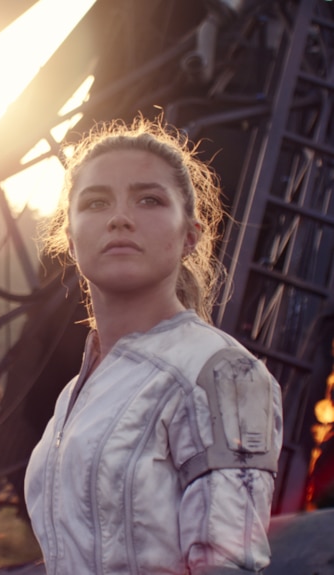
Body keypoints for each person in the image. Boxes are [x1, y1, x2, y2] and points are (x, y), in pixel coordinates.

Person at [24, 117, 283, 574]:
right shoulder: (75, 395)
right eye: (96, 202)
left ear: (190, 237)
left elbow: (230, 566)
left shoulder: (219, 371)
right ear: (70, 236)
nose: (120, 217)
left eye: (149, 200)